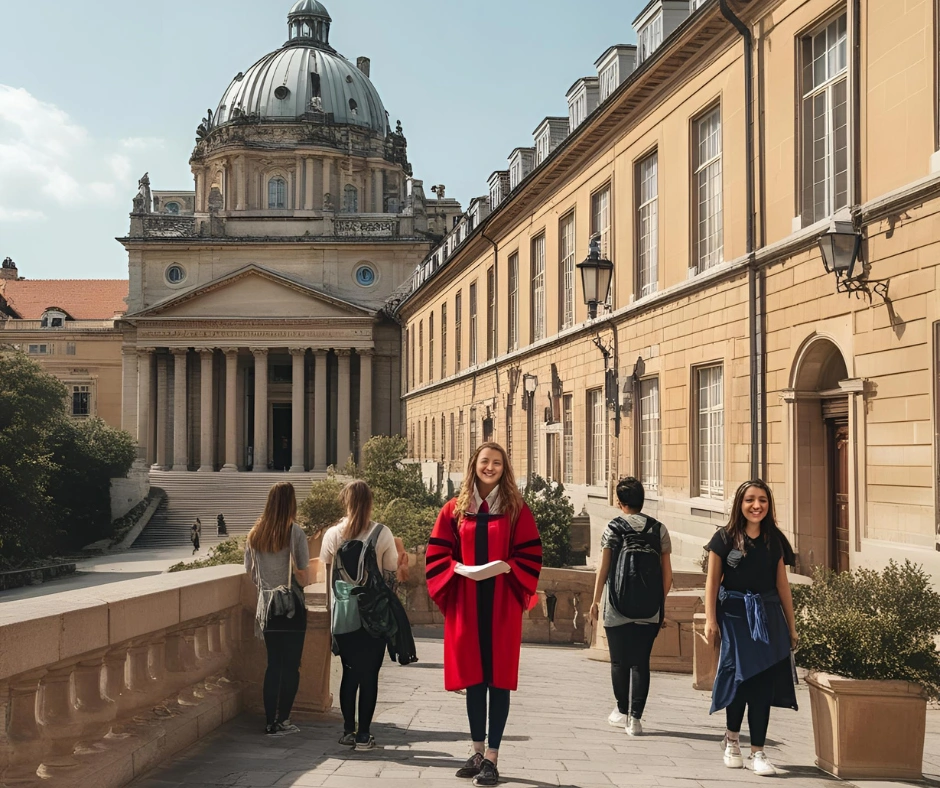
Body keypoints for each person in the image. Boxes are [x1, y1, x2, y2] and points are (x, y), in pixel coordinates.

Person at [426, 442, 542, 787]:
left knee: (499, 680)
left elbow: (531, 554)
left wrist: (506, 565)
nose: (490, 467)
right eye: (484, 462)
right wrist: (458, 569)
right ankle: (476, 751)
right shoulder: (454, 510)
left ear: (504, 469)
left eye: (497, 463)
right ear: (474, 465)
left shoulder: (517, 510)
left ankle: (493, 757)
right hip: (466, 601)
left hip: (502, 603)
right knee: (474, 680)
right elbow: (436, 556)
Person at [705, 480, 799, 776]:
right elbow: (711, 582)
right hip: (733, 616)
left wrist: (792, 626)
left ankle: (757, 751)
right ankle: (732, 740)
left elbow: (782, 585)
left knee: (762, 683)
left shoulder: (775, 540)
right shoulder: (723, 538)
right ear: (740, 504)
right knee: (740, 679)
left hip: (768, 617)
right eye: (750, 500)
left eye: (762, 500)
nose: (756, 505)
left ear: (769, 505)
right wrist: (710, 619)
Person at [320, 480, 400, 751]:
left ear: (346, 501)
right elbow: (391, 576)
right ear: (370, 503)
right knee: (370, 675)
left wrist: (331, 617)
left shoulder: (332, 534)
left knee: (349, 674)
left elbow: (328, 580)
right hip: (373, 616)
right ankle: (364, 734)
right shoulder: (383, 533)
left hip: (344, 616)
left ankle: (347, 731)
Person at [590, 477, 673, 736]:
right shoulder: (659, 529)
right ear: (642, 500)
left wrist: (595, 600)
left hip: (616, 604)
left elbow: (604, 568)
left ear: (619, 502)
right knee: (641, 663)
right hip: (650, 609)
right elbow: (667, 575)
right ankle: (636, 719)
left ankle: (621, 711)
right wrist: (657, 601)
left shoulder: (614, 527)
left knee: (619, 662)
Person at [244, 481, 310, 737]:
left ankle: (269, 721)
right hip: (291, 606)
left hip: (267, 606)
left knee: (273, 665)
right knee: (291, 665)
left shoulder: (254, 534)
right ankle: (283, 720)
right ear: (291, 503)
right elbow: (303, 573)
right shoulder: (295, 533)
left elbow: (250, 572)